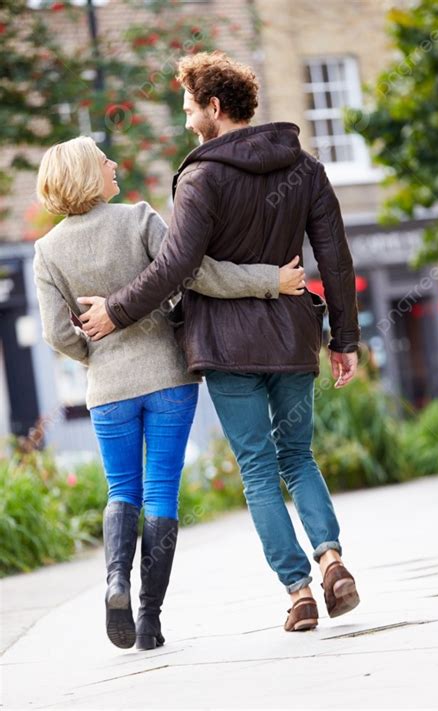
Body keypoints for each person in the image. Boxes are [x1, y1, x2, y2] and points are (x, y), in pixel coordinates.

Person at [78, 51, 362, 632]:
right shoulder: (304, 169)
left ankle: (299, 592)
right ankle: (332, 560)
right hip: (291, 339)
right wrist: (344, 339)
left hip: (228, 348)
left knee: (258, 469)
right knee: (299, 456)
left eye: (188, 109)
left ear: (214, 107)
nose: (186, 123)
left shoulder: (202, 176)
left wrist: (115, 310)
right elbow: (335, 257)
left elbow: (178, 264)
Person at [33, 135, 307, 649]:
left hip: (108, 388)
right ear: (87, 175)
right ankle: (150, 620)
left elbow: (56, 333)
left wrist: (94, 355)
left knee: (121, 490)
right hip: (168, 379)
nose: (113, 163)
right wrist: (271, 279)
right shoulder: (137, 218)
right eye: (103, 160)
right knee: (161, 493)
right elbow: (198, 272)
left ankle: (115, 579)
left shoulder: (47, 251)